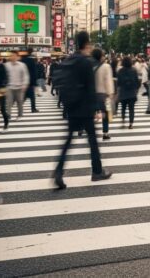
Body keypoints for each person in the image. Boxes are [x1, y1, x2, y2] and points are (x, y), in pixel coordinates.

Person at [53, 31, 112, 191]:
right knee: (92, 141)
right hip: (85, 108)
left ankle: (58, 171)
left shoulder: (68, 60)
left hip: (72, 107)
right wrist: (97, 109)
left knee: (68, 140)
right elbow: (90, 89)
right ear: (87, 44)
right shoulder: (86, 62)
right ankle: (97, 171)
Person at [93, 48, 115, 140]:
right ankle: (105, 133)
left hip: (92, 94)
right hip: (103, 95)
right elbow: (108, 81)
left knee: (91, 112)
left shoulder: (90, 66)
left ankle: (83, 128)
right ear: (101, 56)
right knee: (105, 113)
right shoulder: (106, 66)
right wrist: (111, 93)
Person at [4, 51, 29, 120]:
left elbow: (25, 76)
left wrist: (25, 84)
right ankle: (8, 115)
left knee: (20, 102)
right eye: (12, 56)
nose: (13, 57)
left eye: (15, 56)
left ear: (18, 57)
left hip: (20, 87)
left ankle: (20, 115)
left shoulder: (22, 65)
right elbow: (3, 76)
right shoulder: (6, 65)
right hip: (9, 87)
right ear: (10, 57)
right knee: (9, 102)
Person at [117, 56, 140, 129]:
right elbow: (137, 82)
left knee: (123, 108)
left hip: (123, 92)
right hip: (132, 93)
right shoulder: (134, 70)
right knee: (131, 109)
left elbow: (119, 83)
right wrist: (136, 90)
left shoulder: (120, 71)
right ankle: (131, 124)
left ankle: (123, 121)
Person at [21, 49, 39, 113]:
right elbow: (34, 72)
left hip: (23, 81)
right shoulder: (31, 60)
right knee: (32, 96)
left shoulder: (22, 60)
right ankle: (33, 109)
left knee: (25, 96)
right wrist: (35, 82)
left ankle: (20, 106)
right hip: (30, 81)